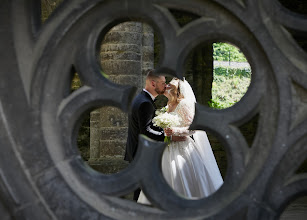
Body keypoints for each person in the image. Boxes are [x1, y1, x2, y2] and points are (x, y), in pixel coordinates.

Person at [137, 78, 223, 204]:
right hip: (167, 147)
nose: (167, 85)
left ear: (178, 88)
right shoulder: (168, 105)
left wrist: (175, 130)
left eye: (171, 84)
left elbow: (194, 128)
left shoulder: (185, 104)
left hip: (183, 148)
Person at [125, 70, 185, 201]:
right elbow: (146, 131)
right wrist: (167, 136)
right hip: (140, 153)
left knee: (142, 192)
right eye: (163, 83)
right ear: (153, 83)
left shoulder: (142, 98)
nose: (165, 86)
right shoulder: (145, 103)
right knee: (141, 192)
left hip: (136, 150)